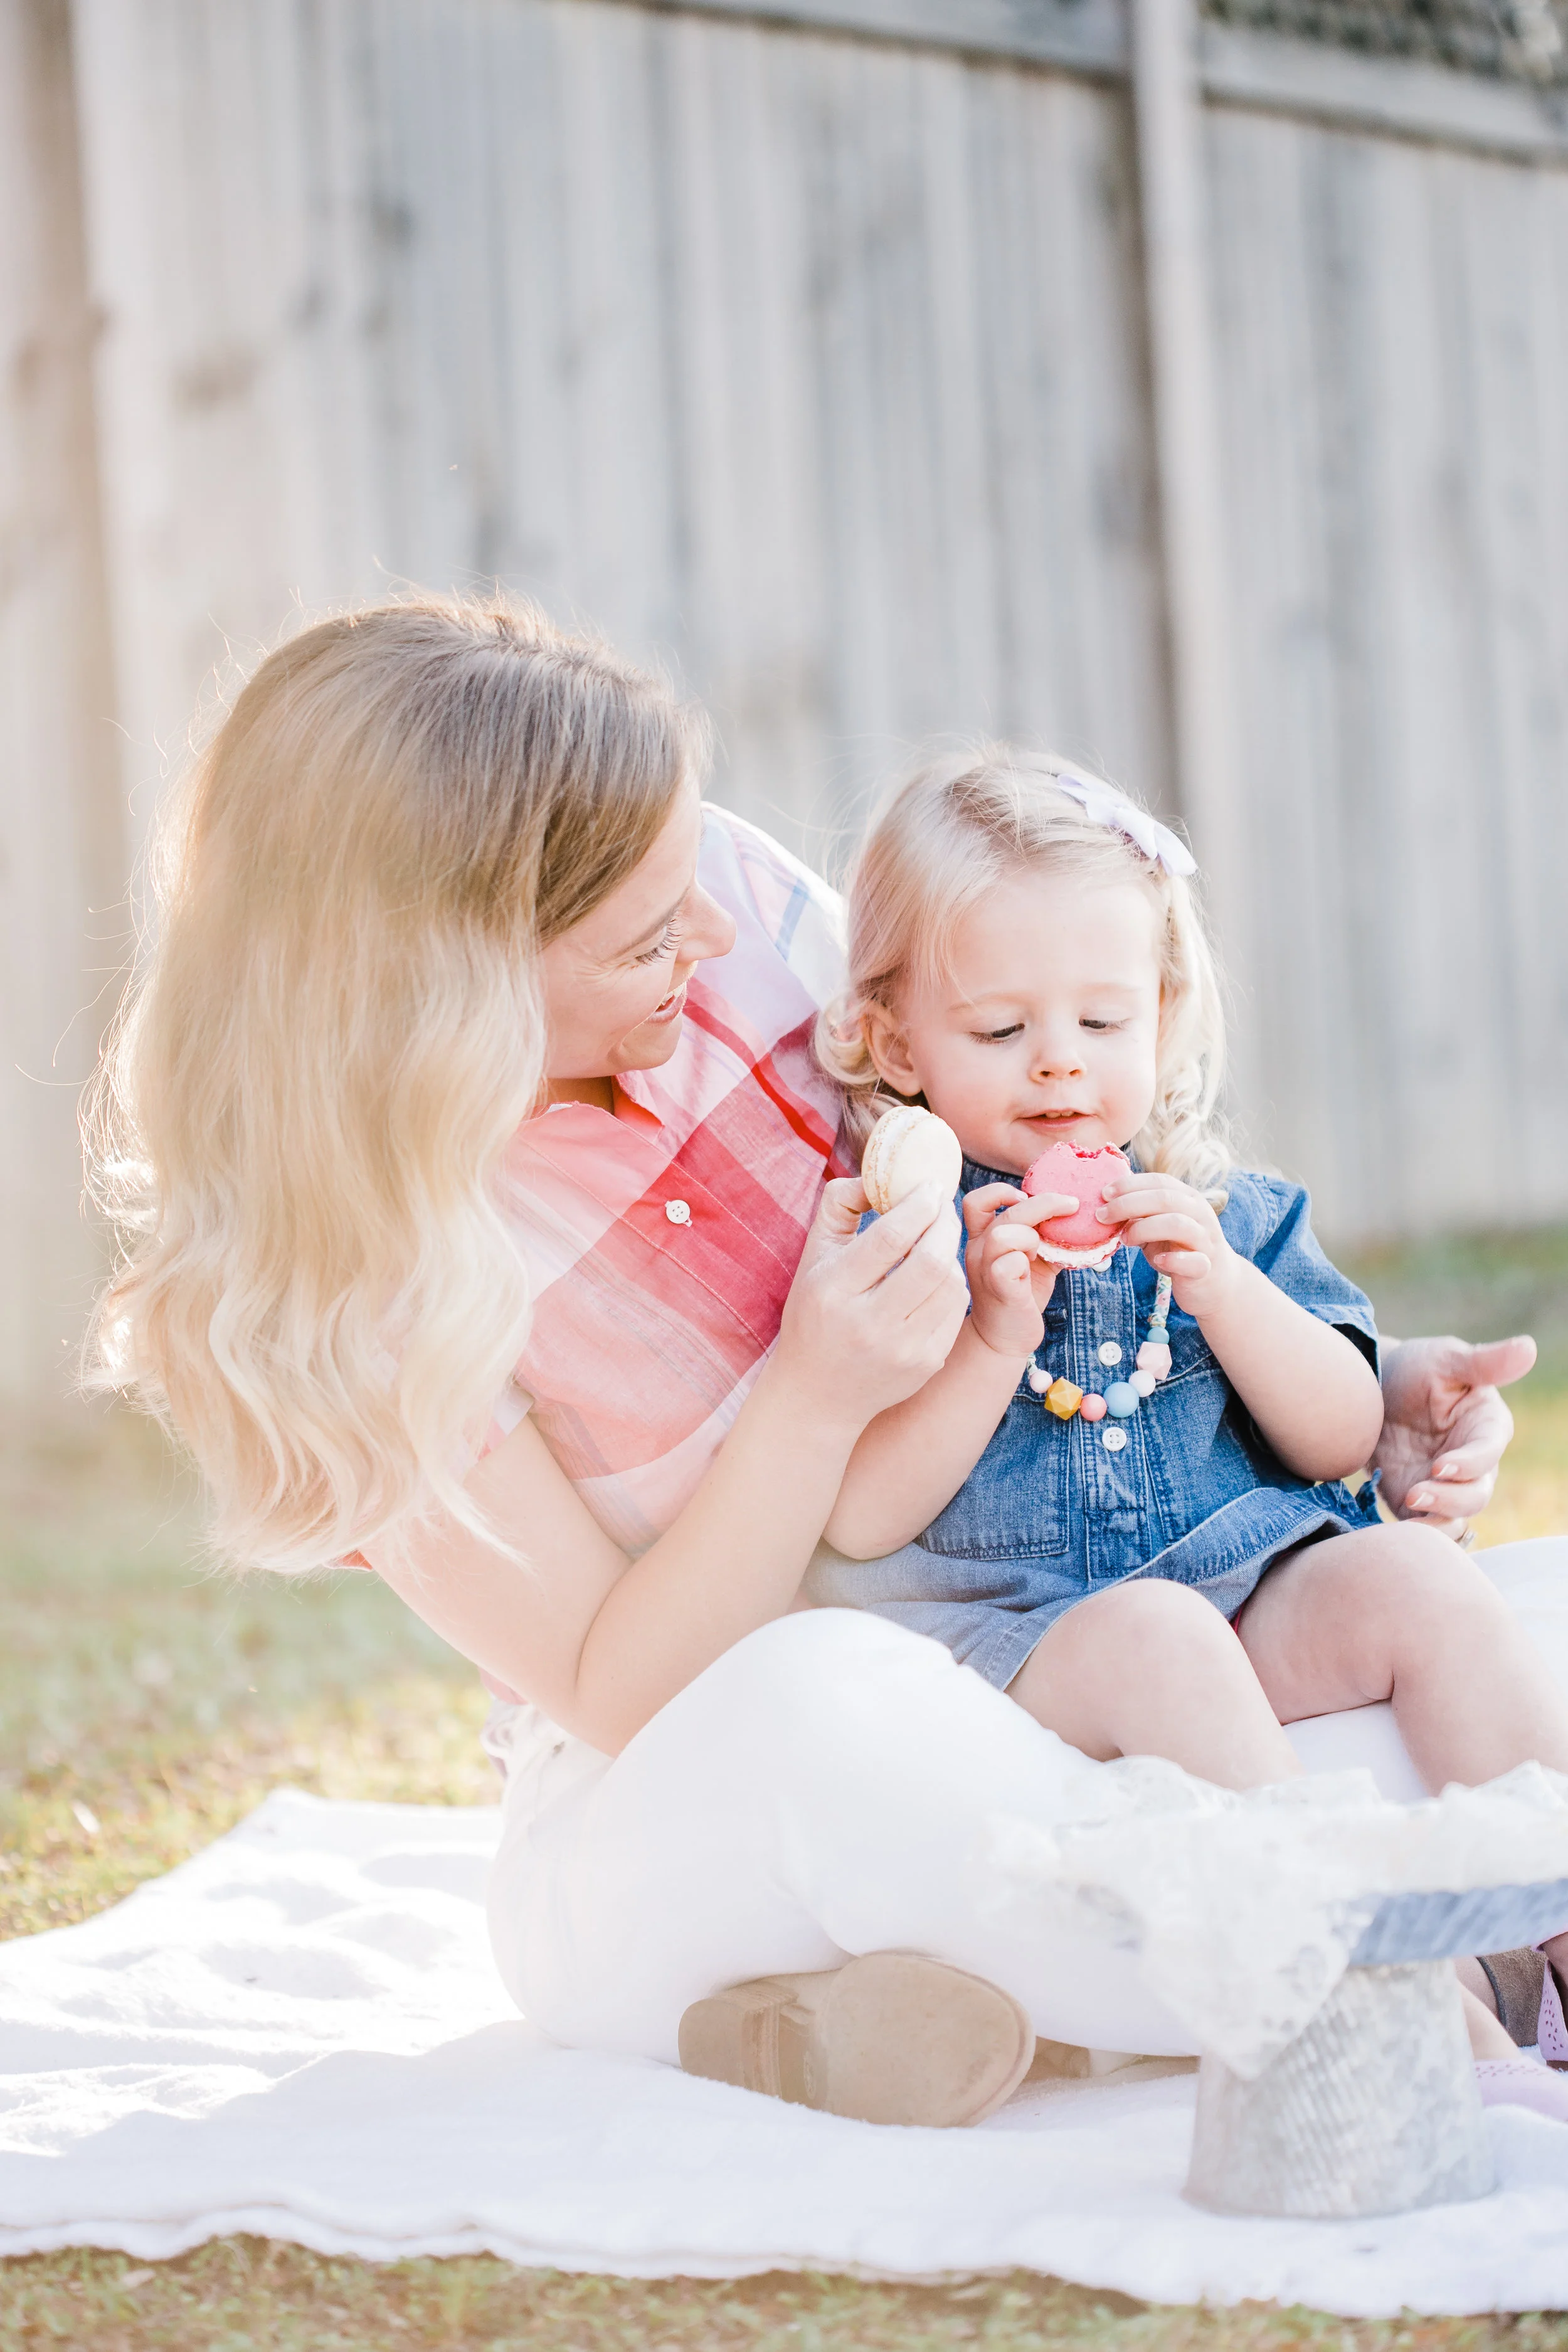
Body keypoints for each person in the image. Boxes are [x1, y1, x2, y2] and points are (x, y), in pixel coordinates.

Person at [86, 595, 1550, 2127]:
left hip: (1038, 1643)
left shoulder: (702, 881)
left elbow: (1018, 1116)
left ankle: (912, 2014)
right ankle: (1402, 2004)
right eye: (650, 934)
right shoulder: (353, 1292)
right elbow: (624, 1690)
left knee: (1500, 1620)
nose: (718, 934)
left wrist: (1339, 1378)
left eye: (696, 871)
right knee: (838, 1697)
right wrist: (813, 1394)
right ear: (442, 981)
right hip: (718, 1771)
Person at [809, 746, 1568, 2107]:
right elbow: (860, 1517)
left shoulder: (1237, 1211)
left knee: (1408, 1570)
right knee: (1155, 1635)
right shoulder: (899, 1239)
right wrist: (988, 1330)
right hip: (1021, 1641)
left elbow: (1339, 1437)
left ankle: (1550, 1926)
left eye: (1101, 1023)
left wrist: (1220, 1287)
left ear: (1160, 1014)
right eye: (999, 1032)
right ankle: (1405, 2006)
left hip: (1236, 1588)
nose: (1059, 1067)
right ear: (891, 1037)